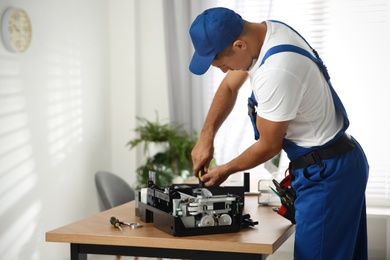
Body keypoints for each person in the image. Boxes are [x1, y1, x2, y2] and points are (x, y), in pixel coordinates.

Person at [188, 7, 369, 260]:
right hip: (333, 162)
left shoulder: (277, 70)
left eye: (222, 64)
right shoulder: (266, 33)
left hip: (327, 174)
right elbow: (229, 88)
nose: (224, 71)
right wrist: (206, 136)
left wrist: (225, 169)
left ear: (239, 45)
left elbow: (269, 145)